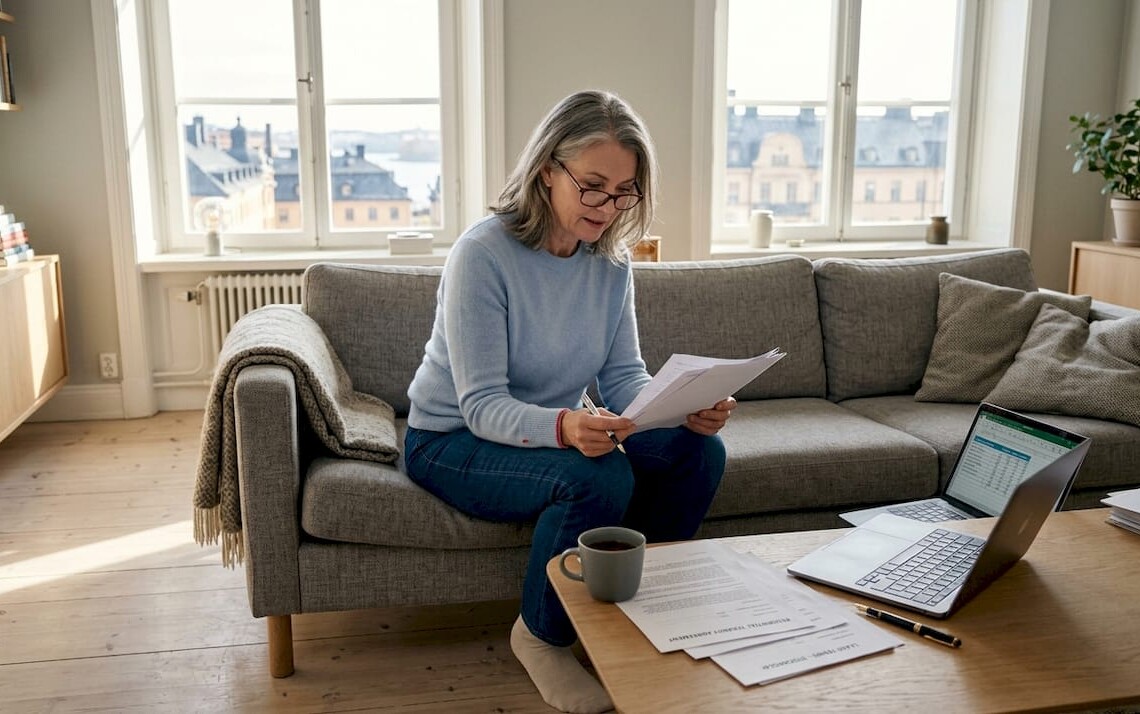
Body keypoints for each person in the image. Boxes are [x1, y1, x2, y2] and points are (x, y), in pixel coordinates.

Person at [403, 89, 733, 714]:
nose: (610, 207)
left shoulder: (610, 261)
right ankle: (541, 636)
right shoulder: (483, 255)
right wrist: (565, 426)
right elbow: (481, 405)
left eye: (625, 190)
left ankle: (630, 610)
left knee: (700, 452)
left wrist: (679, 407)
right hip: (449, 441)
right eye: (593, 186)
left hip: (551, 429)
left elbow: (623, 378)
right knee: (596, 473)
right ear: (548, 169)